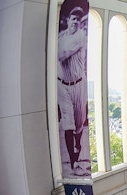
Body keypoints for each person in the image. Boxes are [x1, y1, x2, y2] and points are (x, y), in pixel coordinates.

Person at [58, 5, 90, 176]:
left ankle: (77, 150)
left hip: (79, 85)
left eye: (79, 19)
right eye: (73, 18)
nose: (76, 21)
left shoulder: (80, 36)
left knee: (79, 123)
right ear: (68, 20)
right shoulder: (61, 36)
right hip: (63, 85)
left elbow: (61, 54)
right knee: (68, 123)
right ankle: (73, 162)